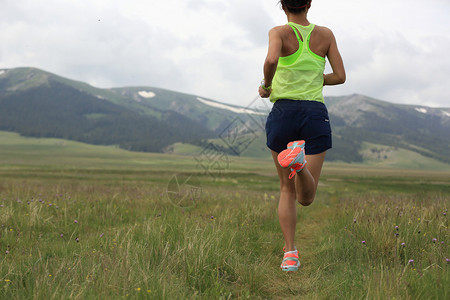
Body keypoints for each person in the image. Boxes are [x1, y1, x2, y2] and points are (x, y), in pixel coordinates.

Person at [258, 0, 345, 272]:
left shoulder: (279, 33)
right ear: (309, 5)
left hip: (283, 112)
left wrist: (266, 85)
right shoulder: (326, 35)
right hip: (314, 113)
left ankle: (291, 254)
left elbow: (272, 59)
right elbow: (340, 76)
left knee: (286, 189)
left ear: (283, 6)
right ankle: (300, 164)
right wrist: (317, 78)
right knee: (306, 197)